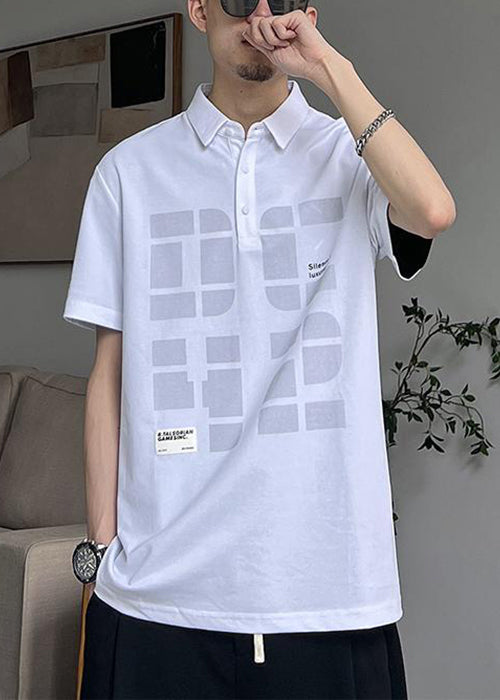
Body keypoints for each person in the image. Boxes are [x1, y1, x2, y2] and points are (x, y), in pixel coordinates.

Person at [64, 1, 456, 698]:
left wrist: (328, 68)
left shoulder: (350, 155)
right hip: (157, 597)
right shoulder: (128, 173)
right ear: (199, 8)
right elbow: (110, 374)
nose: (263, 17)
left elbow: (431, 210)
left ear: (310, 13)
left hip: (330, 594)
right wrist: (100, 552)